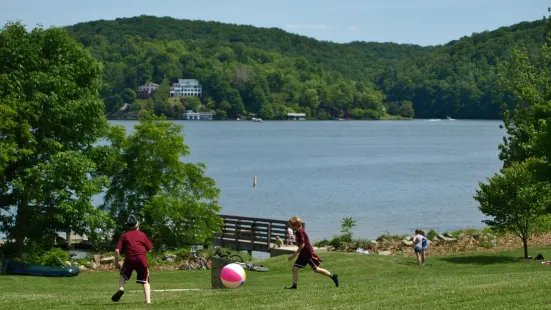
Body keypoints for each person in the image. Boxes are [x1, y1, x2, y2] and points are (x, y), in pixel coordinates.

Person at [285, 216, 339, 289]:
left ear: (296, 225)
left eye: (291, 225)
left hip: (307, 253)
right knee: (295, 269)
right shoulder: (298, 231)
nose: (290, 227)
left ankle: (333, 276)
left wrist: (294, 255)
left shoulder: (300, 231)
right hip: (303, 254)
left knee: (316, 269)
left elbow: (302, 245)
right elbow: (301, 243)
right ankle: (294, 286)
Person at [111, 214, 153, 304]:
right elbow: (149, 249)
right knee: (145, 280)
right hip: (141, 259)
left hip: (129, 259)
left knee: (123, 274)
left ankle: (121, 288)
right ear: (137, 224)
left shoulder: (124, 236)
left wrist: (116, 263)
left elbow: (117, 251)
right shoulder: (142, 235)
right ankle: (148, 301)